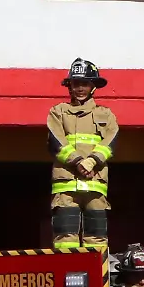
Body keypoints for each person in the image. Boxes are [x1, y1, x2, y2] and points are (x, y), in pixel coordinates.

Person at [46, 59, 117, 253]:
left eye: (85, 83)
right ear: (70, 86)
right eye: (76, 83)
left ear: (93, 86)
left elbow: (110, 143)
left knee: (97, 238)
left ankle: (96, 279)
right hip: (66, 186)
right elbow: (56, 142)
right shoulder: (57, 112)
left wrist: (92, 160)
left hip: (95, 186)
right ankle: (65, 272)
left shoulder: (107, 114)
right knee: (65, 238)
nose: (80, 88)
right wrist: (78, 161)